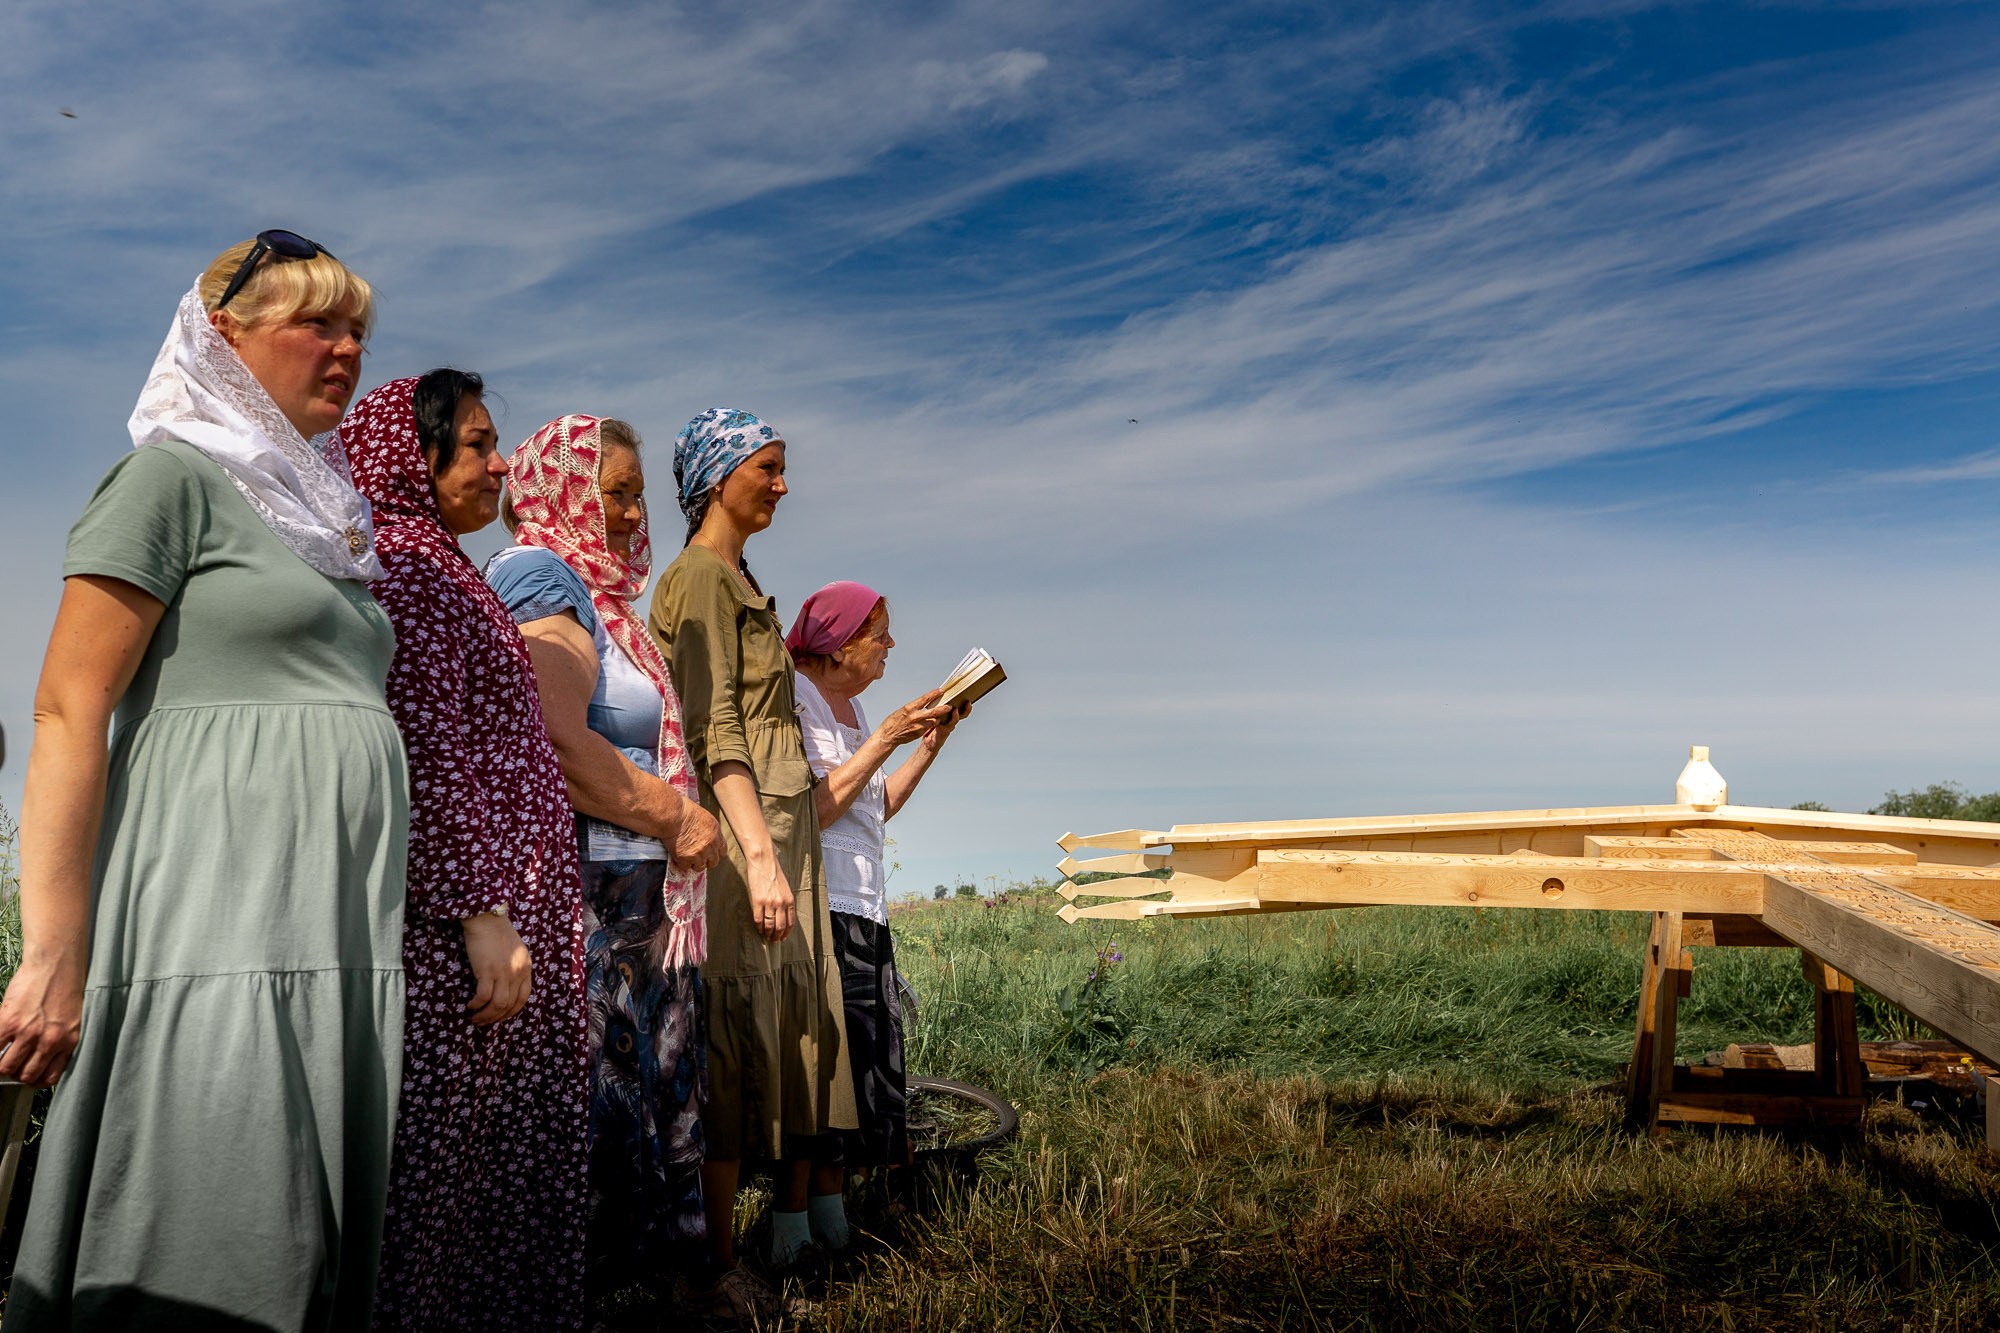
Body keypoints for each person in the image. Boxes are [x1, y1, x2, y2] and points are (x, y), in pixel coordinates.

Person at [2, 232, 404, 1329]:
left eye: (357, 328)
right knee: (211, 1222)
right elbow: (67, 708)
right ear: (223, 340)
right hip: (217, 920)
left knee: (300, 1240)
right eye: (315, 323)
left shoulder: (321, 518)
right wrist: (53, 948)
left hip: (329, 928)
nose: (346, 348)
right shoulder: (168, 478)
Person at [337, 375, 589, 1331]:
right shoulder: (410, 572)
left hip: (493, 917)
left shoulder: (440, 566)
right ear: (416, 457)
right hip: (461, 933)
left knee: (483, 1168)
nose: (499, 464)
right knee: (444, 1173)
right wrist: (481, 913)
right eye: (478, 445)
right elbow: (426, 751)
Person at [484, 415, 734, 1312]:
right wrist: (674, 815)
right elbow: (560, 739)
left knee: (654, 1093)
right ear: (563, 485)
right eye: (615, 491)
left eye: (635, 493)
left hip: (640, 890)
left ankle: (660, 1287)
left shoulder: (608, 599)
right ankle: (592, 1299)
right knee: (598, 1104)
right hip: (590, 890)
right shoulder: (538, 575)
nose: (634, 513)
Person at [648, 409, 855, 1298]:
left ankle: (792, 1237)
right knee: (734, 1036)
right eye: (765, 468)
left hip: (782, 831)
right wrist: (758, 855)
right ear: (718, 475)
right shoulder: (699, 577)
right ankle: (717, 1268)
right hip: (744, 837)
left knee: (789, 1030)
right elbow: (712, 724)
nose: (780, 483)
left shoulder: (738, 578)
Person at [787, 583, 964, 1185]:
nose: (891, 644)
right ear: (837, 645)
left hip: (865, 905)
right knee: (827, 1068)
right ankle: (802, 1220)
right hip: (819, 904)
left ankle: (846, 1209)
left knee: (866, 1061)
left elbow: (873, 804)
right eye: (878, 633)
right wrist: (887, 737)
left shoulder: (856, 712)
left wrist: (930, 746)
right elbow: (809, 812)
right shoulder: (797, 700)